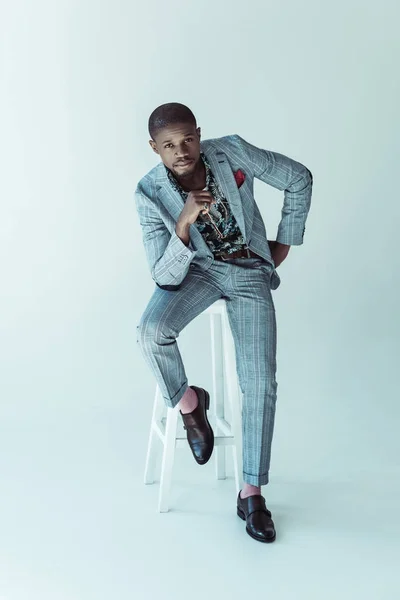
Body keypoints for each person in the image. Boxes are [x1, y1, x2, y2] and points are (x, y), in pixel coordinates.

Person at [135, 102, 313, 543]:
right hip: (196, 271)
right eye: (169, 145)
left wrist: (283, 245)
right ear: (154, 148)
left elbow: (298, 178)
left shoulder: (230, 151)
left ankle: (250, 491)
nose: (182, 151)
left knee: (259, 380)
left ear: (199, 133)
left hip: (249, 271)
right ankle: (192, 405)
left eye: (188, 139)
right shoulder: (148, 191)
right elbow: (163, 275)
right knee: (152, 331)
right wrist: (182, 225)